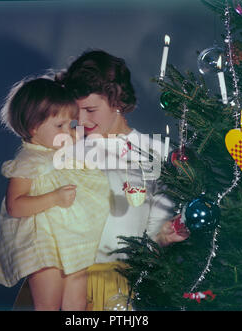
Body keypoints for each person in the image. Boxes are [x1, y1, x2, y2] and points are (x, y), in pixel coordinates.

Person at [62, 49, 189, 310]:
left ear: (117, 100)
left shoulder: (155, 152)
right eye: (77, 111)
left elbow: (158, 226)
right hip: (70, 283)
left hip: (125, 284)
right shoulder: (68, 152)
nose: (82, 120)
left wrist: (163, 235)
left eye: (90, 109)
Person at [0, 76, 110, 311]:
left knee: (77, 303)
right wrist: (53, 198)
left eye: (72, 126)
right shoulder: (28, 161)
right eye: (60, 126)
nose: (70, 133)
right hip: (42, 242)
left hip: (71, 240)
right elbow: (15, 205)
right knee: (48, 304)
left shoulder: (64, 156)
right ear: (34, 127)